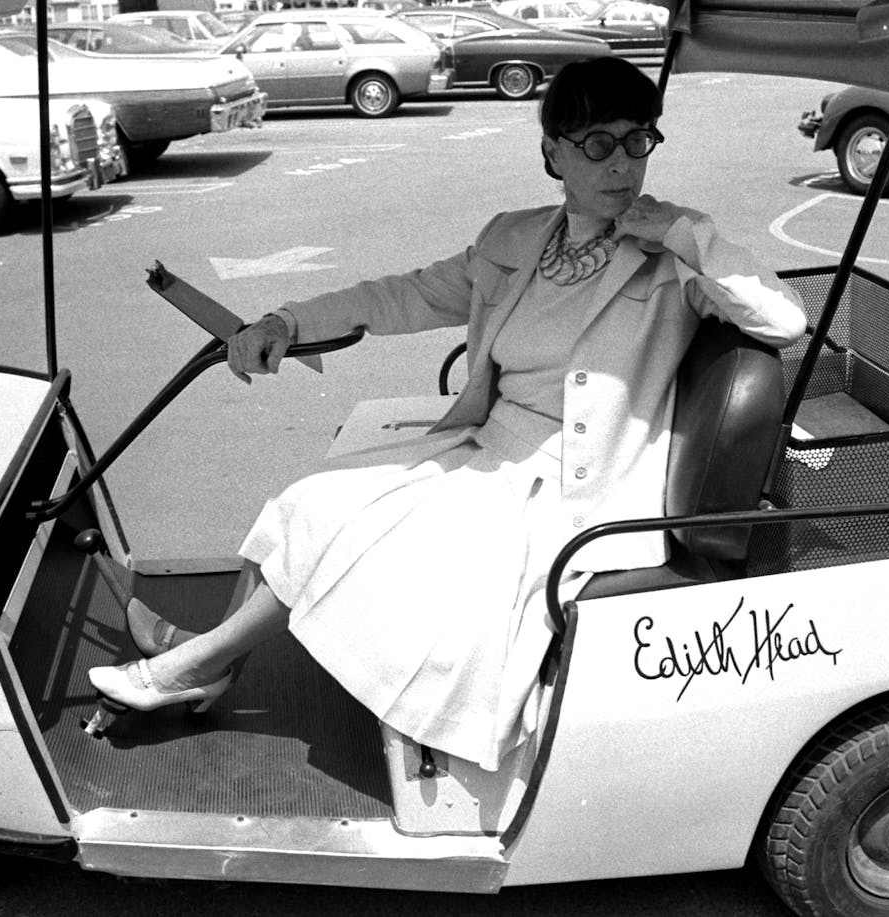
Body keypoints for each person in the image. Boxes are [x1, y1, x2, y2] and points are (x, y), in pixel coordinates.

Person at [89, 56, 807, 771]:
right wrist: (287, 320)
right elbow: (399, 296)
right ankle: (215, 660)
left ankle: (185, 668)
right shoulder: (515, 240)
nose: (621, 163)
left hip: (566, 492)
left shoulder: (675, 256)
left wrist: (684, 233)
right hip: (486, 448)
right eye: (596, 143)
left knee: (336, 523)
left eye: (637, 139)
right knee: (309, 500)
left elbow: (782, 319)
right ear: (553, 152)